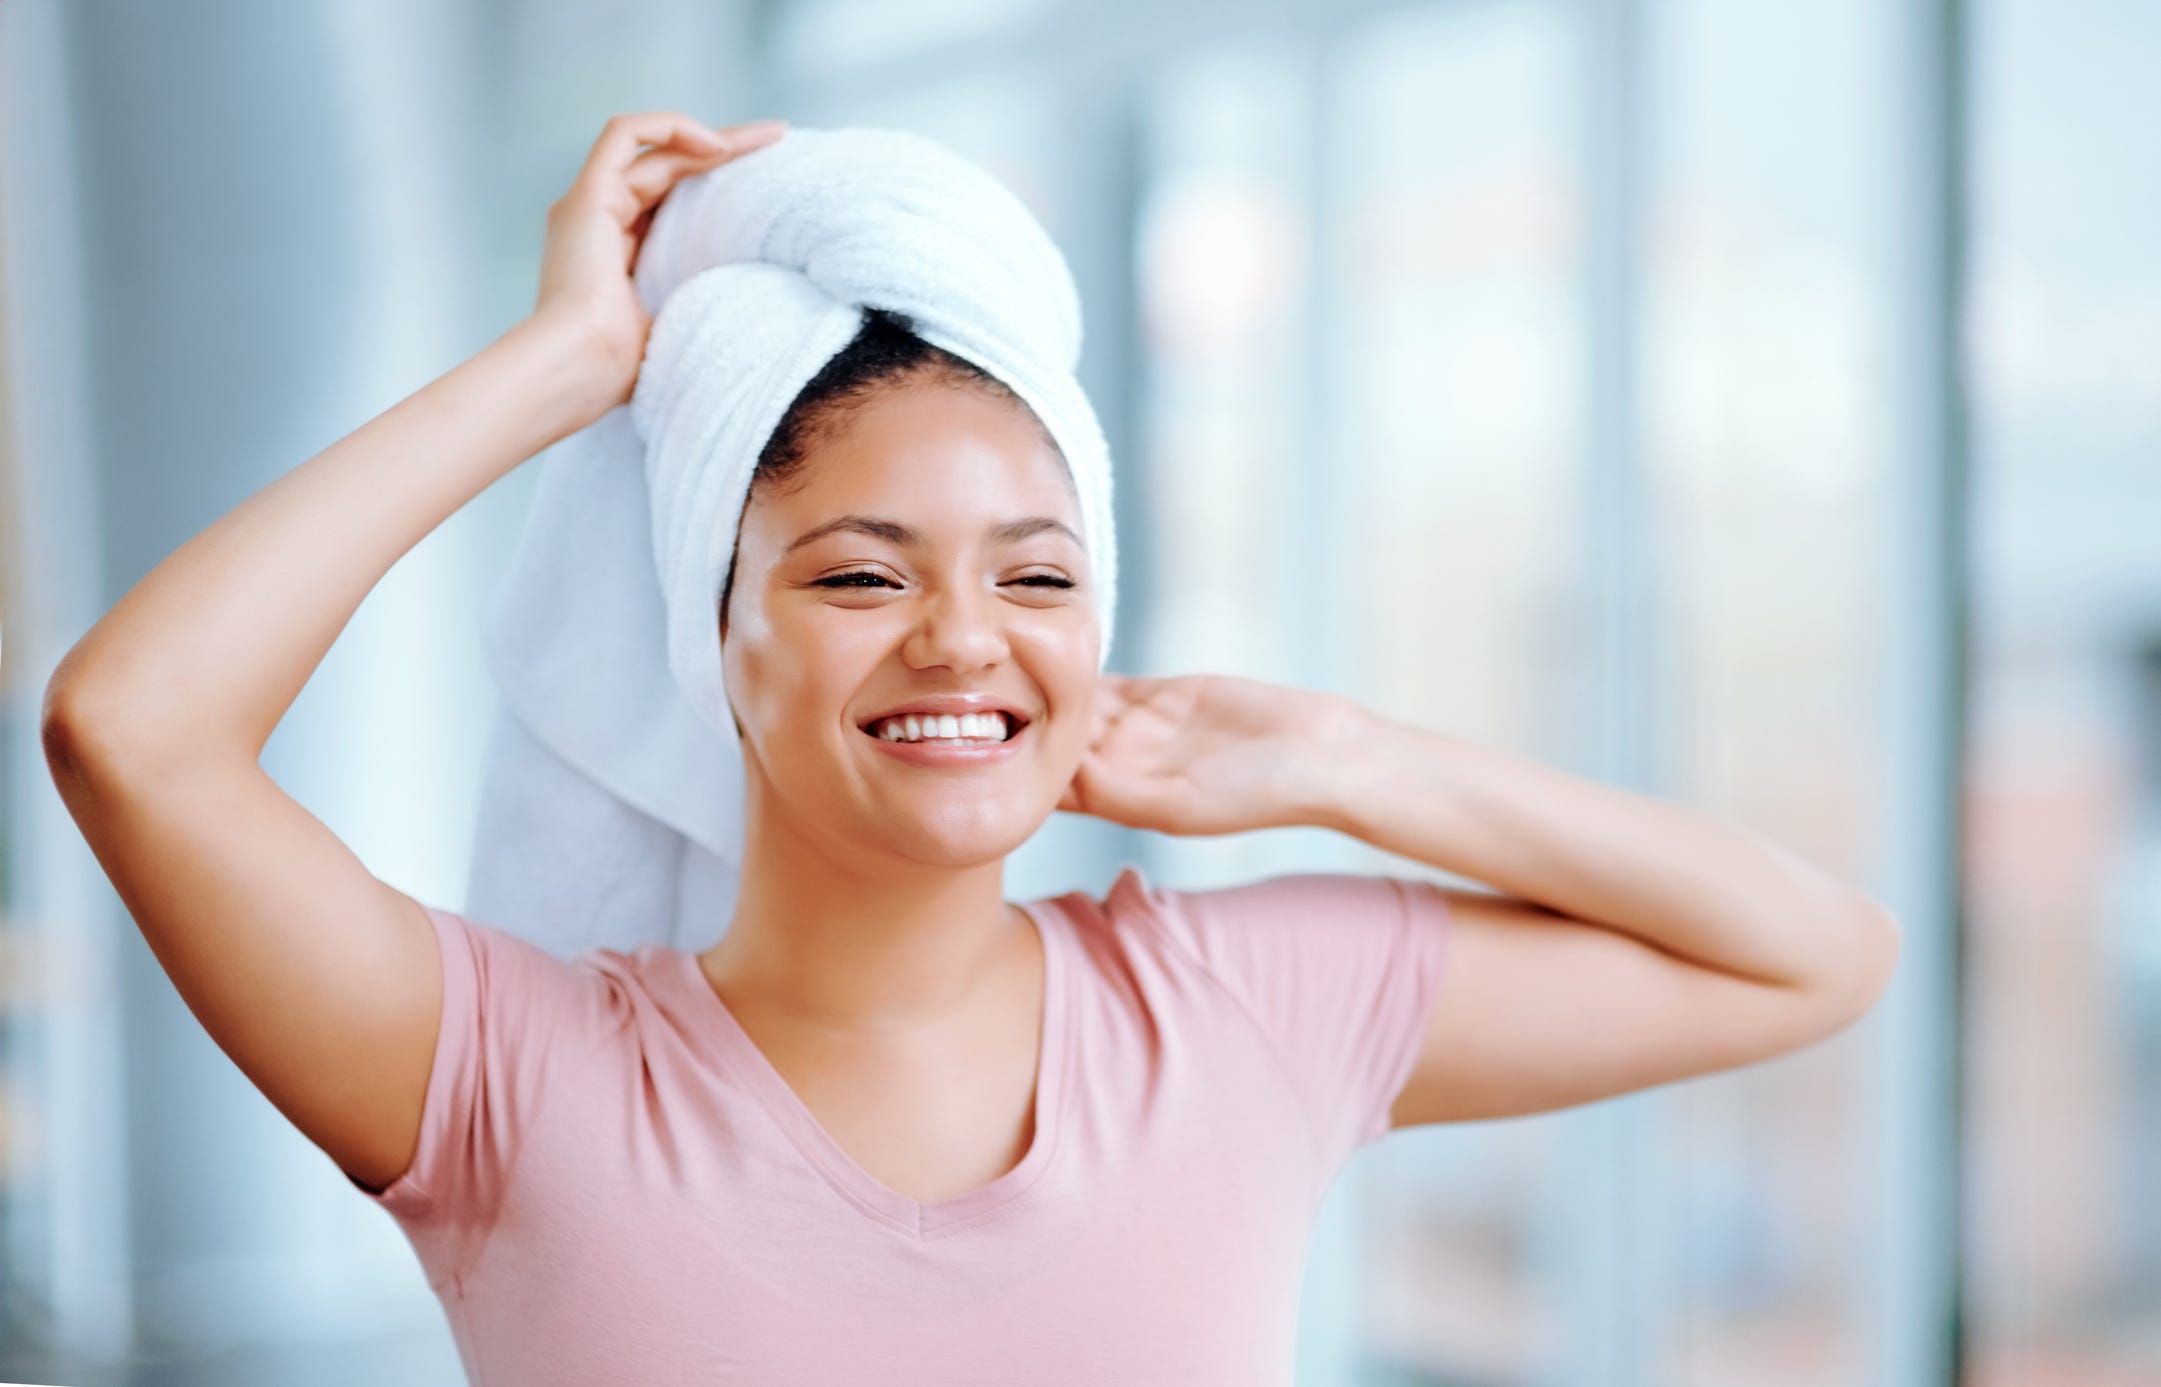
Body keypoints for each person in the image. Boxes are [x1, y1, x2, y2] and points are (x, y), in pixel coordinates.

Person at [40, 110, 1902, 1384]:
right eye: (858, 575)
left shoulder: (1237, 1011)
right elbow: (132, 731)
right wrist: (556, 373)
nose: (961, 638)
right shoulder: (508, 1079)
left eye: (1037, 574)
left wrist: (1346, 756)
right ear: (719, 643)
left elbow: (1816, 953)